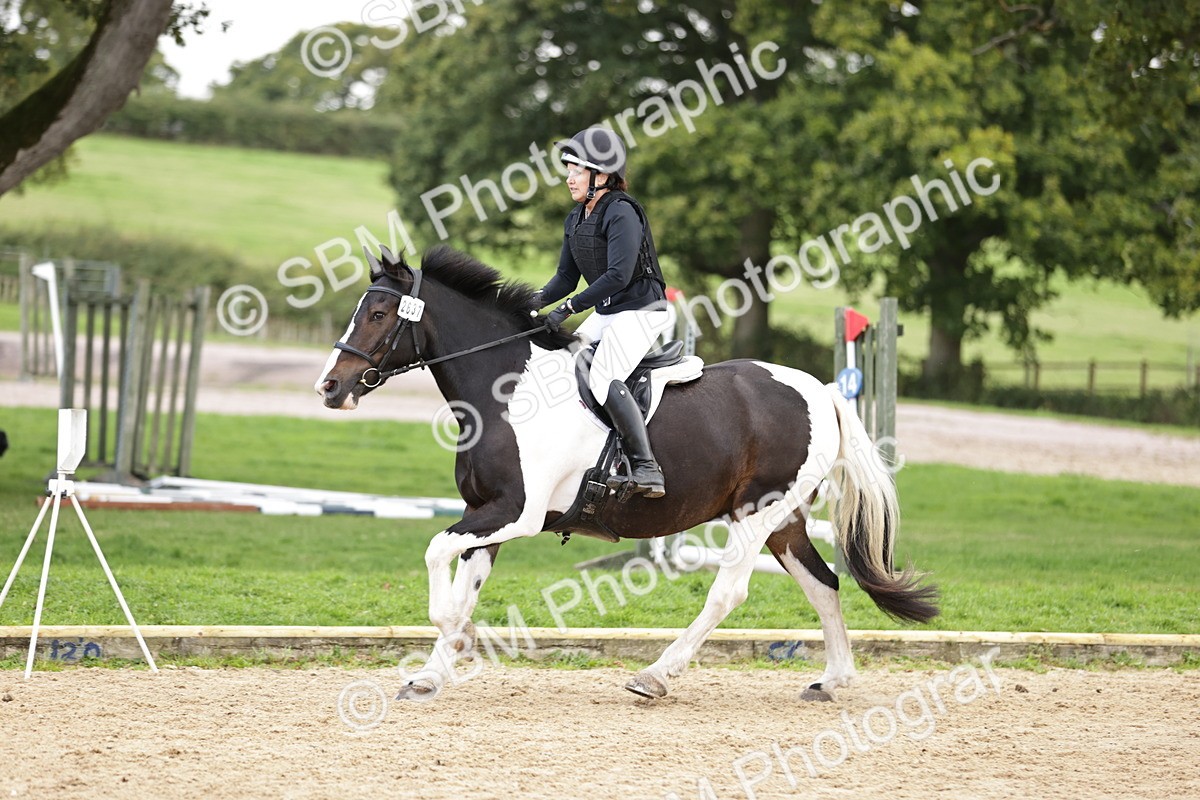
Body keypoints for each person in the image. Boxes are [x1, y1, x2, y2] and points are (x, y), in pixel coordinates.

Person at [537, 127, 672, 498]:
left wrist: (566, 310)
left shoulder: (621, 212)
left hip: (644, 310)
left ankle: (647, 467)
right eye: (567, 170)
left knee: (603, 376)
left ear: (600, 175)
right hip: (610, 311)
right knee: (559, 365)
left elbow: (618, 275)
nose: (568, 178)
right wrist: (532, 303)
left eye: (575, 170)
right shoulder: (576, 217)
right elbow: (566, 277)